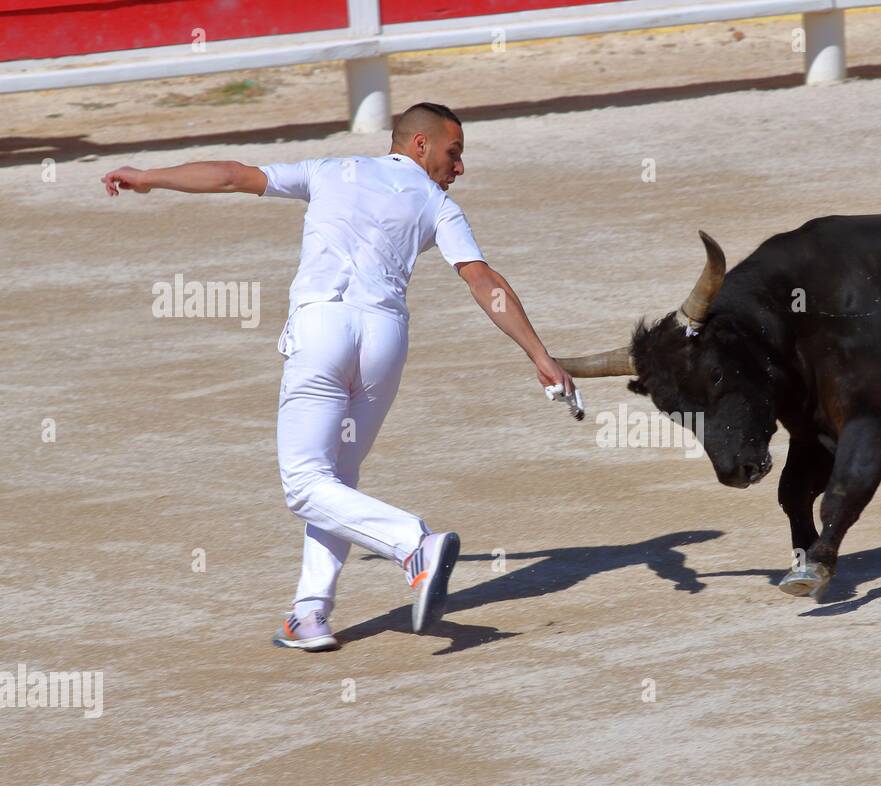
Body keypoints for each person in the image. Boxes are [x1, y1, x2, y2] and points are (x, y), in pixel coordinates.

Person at [102, 102, 575, 651]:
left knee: (305, 486)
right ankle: (309, 612)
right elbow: (482, 280)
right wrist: (538, 354)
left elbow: (232, 175)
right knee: (336, 482)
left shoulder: (330, 169)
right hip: (384, 344)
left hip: (323, 329)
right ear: (419, 145)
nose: (459, 166)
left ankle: (411, 545)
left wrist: (148, 178)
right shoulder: (438, 204)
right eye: (454, 152)